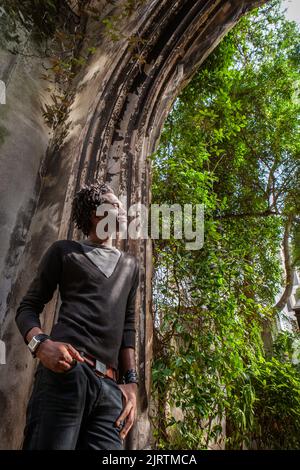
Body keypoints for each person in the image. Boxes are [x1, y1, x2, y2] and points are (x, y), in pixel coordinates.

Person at [15, 181, 140, 450]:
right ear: (96, 214)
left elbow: (127, 328)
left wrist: (130, 383)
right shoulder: (64, 252)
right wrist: (41, 345)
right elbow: (28, 308)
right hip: (66, 373)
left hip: (110, 391)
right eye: (115, 205)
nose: (122, 210)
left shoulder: (131, 266)